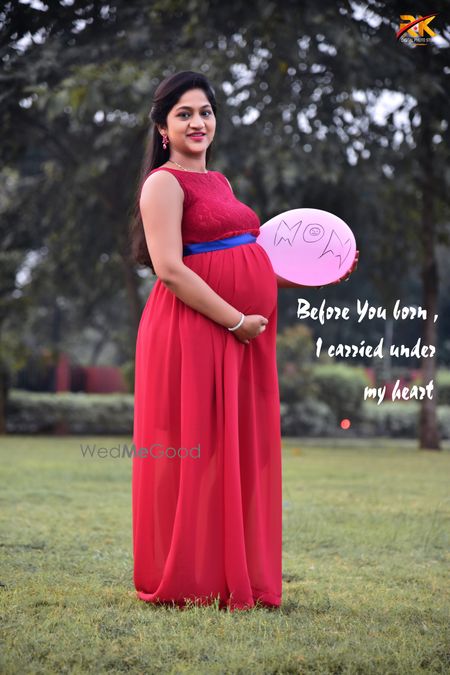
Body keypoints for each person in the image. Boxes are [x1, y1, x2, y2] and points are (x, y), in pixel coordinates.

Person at [129, 70, 358, 612]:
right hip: (197, 330)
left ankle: (229, 570)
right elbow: (170, 269)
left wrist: (315, 274)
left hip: (241, 333)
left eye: (205, 112)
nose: (197, 123)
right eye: (184, 114)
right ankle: (189, 576)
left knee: (233, 455)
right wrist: (235, 320)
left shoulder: (221, 182)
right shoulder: (163, 184)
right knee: (196, 452)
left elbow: (244, 258)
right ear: (162, 127)